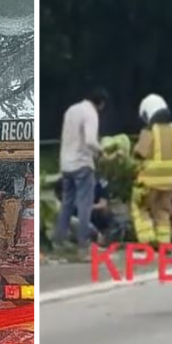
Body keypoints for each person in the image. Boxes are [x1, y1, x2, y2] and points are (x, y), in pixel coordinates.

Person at [54, 88, 107, 251]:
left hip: (66, 164)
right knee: (85, 205)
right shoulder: (91, 113)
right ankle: (83, 244)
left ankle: (59, 241)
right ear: (101, 104)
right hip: (82, 164)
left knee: (67, 204)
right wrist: (101, 152)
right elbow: (91, 141)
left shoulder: (72, 110)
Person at [132, 94, 172, 246]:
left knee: (140, 207)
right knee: (163, 210)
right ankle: (164, 242)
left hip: (150, 178)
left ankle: (147, 241)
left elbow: (141, 153)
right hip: (170, 179)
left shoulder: (149, 130)